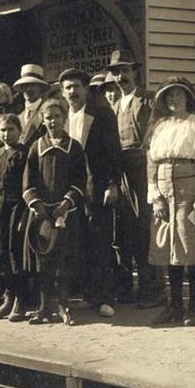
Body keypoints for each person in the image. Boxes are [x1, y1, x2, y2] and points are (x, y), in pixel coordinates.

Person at [143, 77, 195, 326]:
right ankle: (174, 306)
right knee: (168, 246)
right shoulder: (159, 126)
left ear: (188, 98)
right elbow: (151, 163)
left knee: (189, 244)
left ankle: (193, 308)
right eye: (169, 95)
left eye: (179, 95)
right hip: (164, 188)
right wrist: (156, 197)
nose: (174, 99)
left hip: (188, 186)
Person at [60, 67, 122, 317]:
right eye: (68, 88)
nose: (73, 92)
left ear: (86, 89)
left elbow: (113, 152)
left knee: (100, 242)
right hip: (70, 190)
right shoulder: (60, 117)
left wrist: (112, 184)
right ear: (62, 93)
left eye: (77, 86)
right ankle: (88, 294)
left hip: (97, 187)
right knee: (79, 242)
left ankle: (106, 297)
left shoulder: (103, 115)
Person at [22, 98, 87, 325]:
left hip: (65, 212)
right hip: (41, 214)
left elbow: (80, 180)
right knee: (43, 261)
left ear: (64, 118)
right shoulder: (36, 147)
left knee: (63, 260)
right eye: (48, 117)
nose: (52, 121)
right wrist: (37, 205)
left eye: (57, 117)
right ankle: (43, 307)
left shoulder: (74, 147)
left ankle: (63, 305)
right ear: (42, 120)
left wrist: (66, 203)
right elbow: (28, 183)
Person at [107, 49, 162, 306]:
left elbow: (156, 134)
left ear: (134, 72)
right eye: (116, 72)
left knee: (146, 229)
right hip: (123, 171)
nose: (121, 77)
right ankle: (134, 288)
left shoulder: (149, 100)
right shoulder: (115, 105)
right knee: (127, 231)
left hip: (144, 168)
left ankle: (154, 290)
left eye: (125, 71)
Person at [0, 113, 29, 321]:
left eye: (11, 130)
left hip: (18, 207)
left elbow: (28, 184)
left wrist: (26, 214)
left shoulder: (24, 153)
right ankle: (8, 297)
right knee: (0, 251)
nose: (7, 134)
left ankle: (21, 300)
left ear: (19, 131)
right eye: (3, 130)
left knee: (15, 251)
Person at [12, 64, 51, 147]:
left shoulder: (48, 111)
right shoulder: (18, 116)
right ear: (21, 89)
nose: (28, 89)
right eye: (25, 85)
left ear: (41, 88)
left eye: (33, 85)